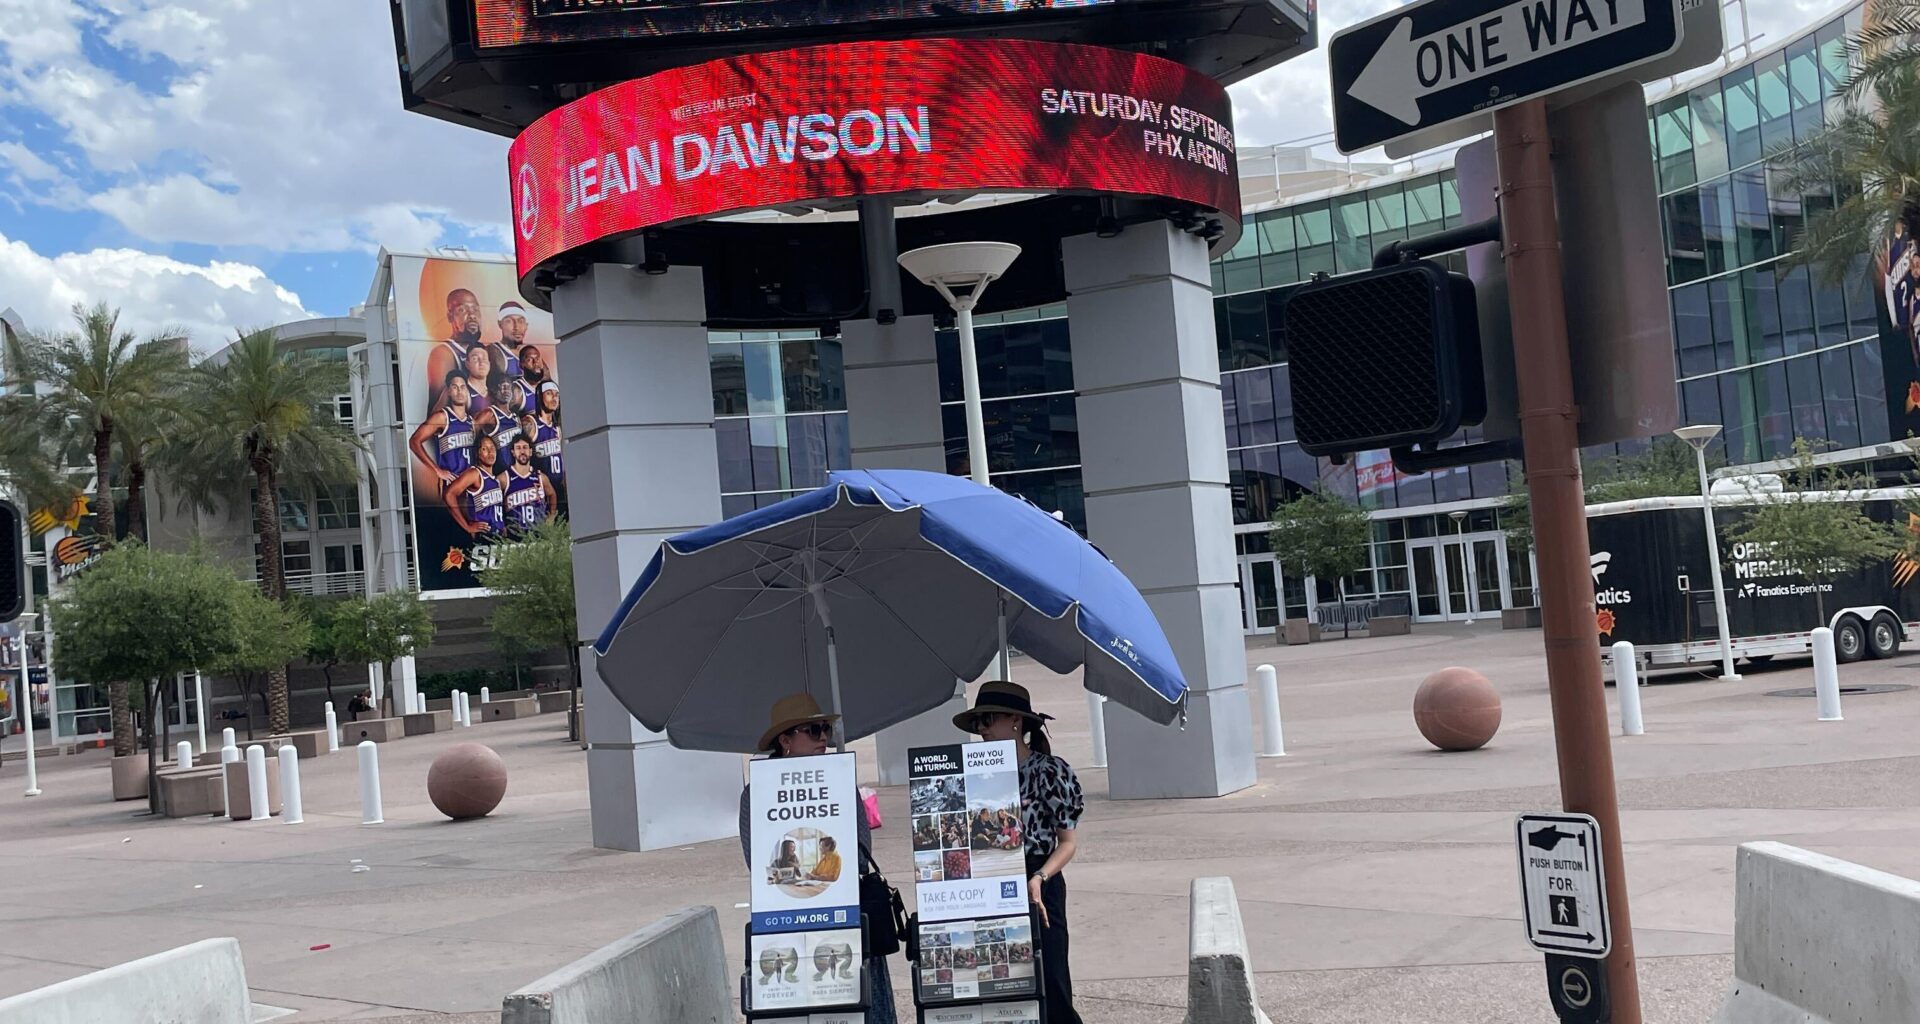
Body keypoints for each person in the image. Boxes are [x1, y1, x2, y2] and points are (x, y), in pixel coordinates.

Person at [740, 694, 897, 1024]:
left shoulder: (841, 782)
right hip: (785, 923)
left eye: (825, 729)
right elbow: (759, 865)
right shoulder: (755, 795)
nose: (823, 737)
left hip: (844, 917)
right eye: (813, 730)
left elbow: (859, 854)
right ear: (785, 740)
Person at [957, 682, 1083, 1024]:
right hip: (989, 875)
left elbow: (1068, 842)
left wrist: (1040, 877)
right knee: (998, 978)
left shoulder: (1049, 771)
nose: (981, 730)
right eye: (978, 724)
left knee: (1051, 976)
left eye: (988, 720)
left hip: (1039, 876)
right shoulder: (972, 775)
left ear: (1015, 721)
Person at [408, 372, 479, 491]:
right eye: (455, 387)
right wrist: (437, 470)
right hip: (451, 483)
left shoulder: (471, 422)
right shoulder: (442, 417)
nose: (459, 391)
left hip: (470, 485)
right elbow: (414, 441)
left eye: (463, 387)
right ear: (449, 392)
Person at [427, 288, 483, 412]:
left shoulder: (484, 351)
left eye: (475, 310)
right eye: (462, 310)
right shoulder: (443, 353)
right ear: (450, 316)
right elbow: (438, 412)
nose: (472, 315)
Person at [447, 434, 505, 538]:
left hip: (498, 538)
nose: (490, 452)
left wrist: (502, 526)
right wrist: (467, 526)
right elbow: (449, 494)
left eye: (492, 448)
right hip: (483, 538)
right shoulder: (475, 473)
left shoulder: (495, 480)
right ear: (478, 453)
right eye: (484, 449)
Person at [499, 435, 558, 531]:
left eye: (525, 447)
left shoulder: (540, 477)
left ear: (530, 451)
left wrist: (551, 516)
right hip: (515, 535)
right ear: (513, 452)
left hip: (539, 532)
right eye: (518, 448)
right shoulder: (504, 478)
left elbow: (552, 494)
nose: (522, 451)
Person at [490, 302, 529, 379]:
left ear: (526, 325)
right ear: (500, 324)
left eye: (520, 321)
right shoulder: (492, 352)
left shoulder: (532, 353)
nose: (516, 327)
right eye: (509, 321)